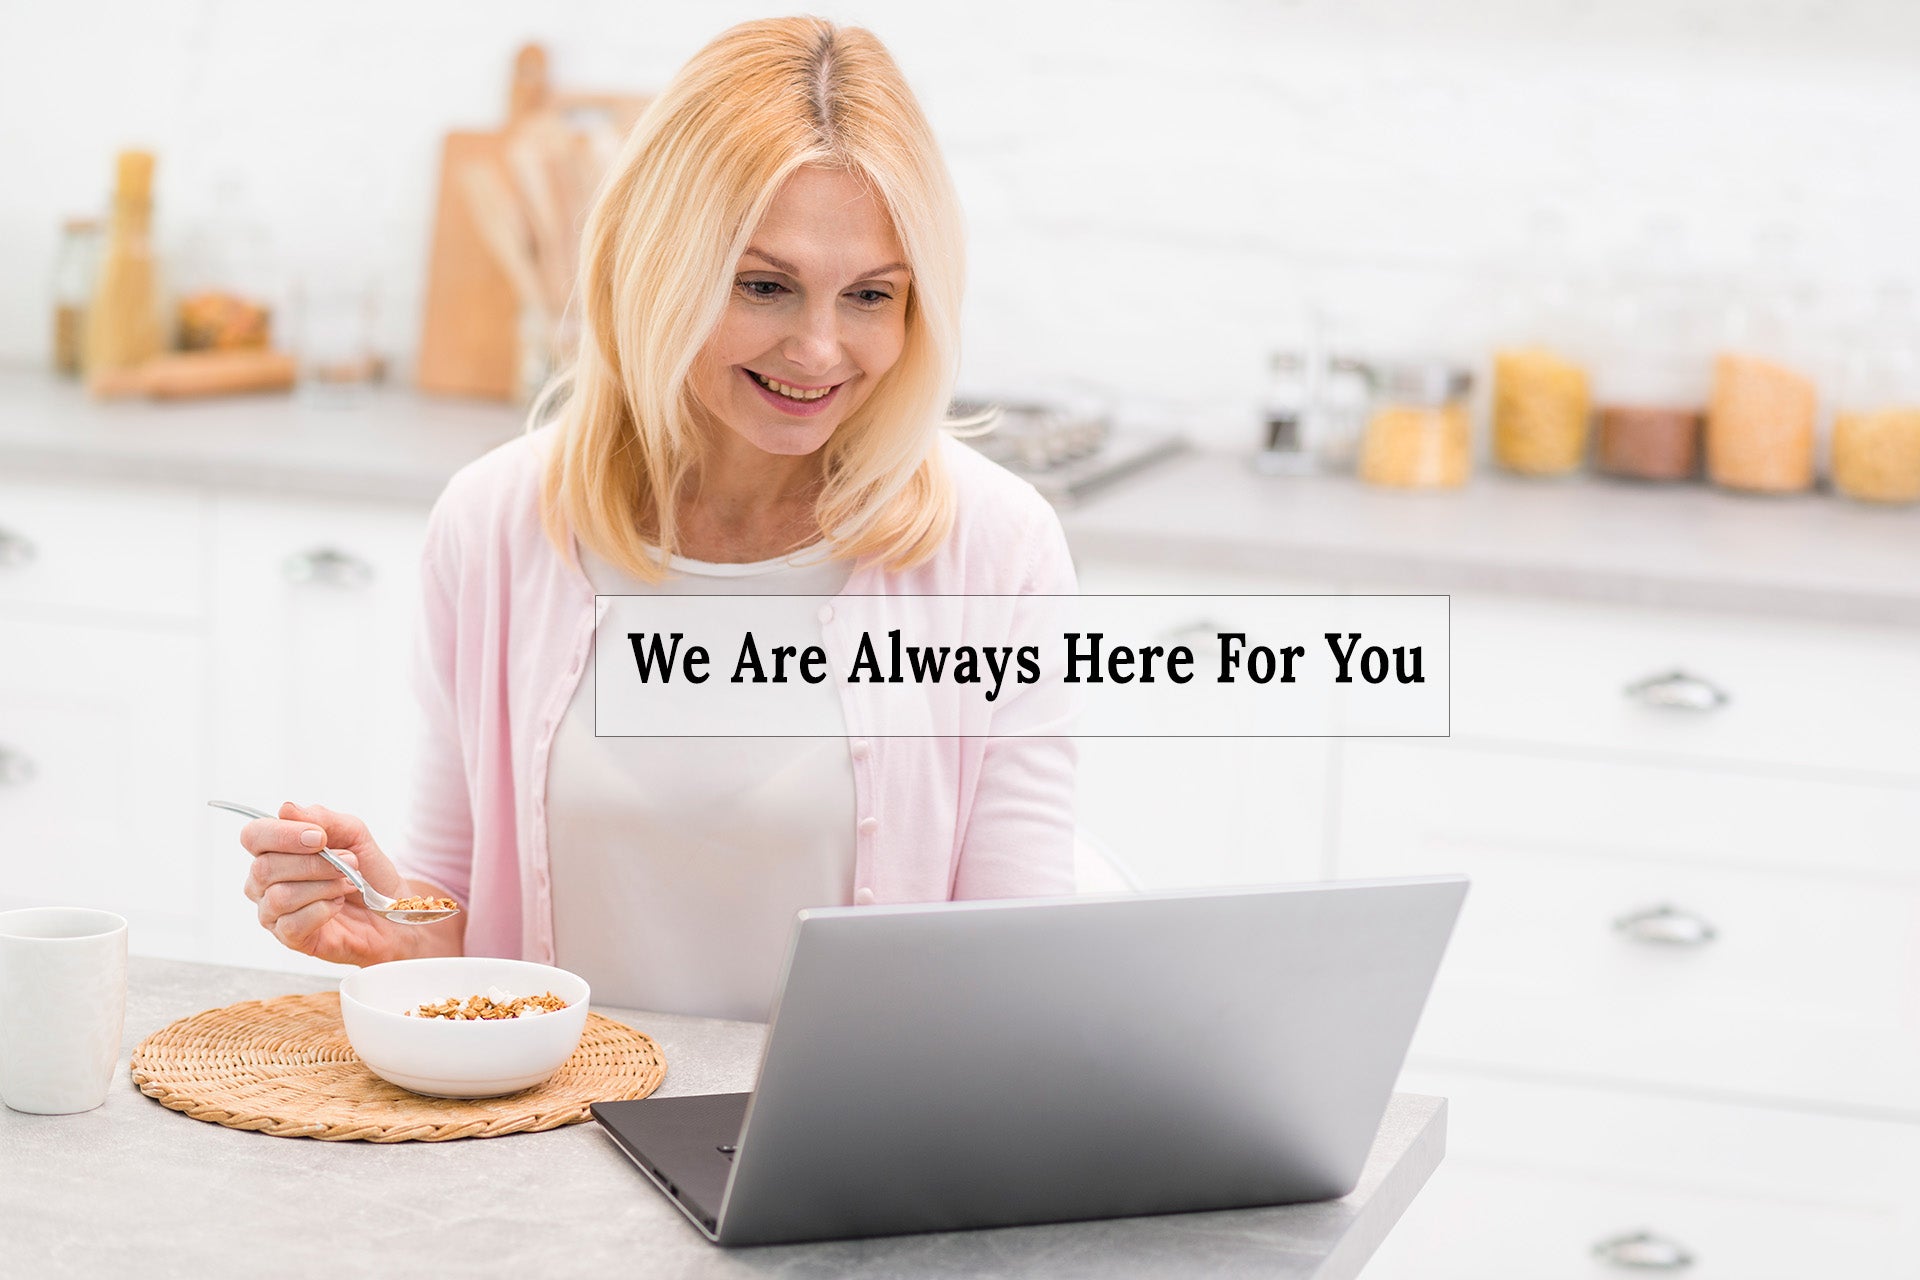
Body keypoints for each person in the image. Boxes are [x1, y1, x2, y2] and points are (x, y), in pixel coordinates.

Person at [239, 16, 1078, 1020]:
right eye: (763, 285)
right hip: (549, 1147)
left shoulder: (996, 548)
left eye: (869, 295)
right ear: (658, 265)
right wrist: (397, 937)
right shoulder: (499, 526)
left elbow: (1020, 976)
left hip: (843, 1165)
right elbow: (458, 922)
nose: (819, 348)